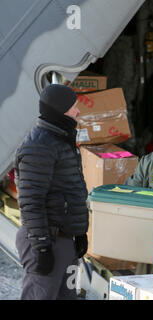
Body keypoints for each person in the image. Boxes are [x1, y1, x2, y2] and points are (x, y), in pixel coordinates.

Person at [14, 84, 89, 300]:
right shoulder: (39, 146)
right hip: (47, 241)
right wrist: (42, 247)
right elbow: (31, 201)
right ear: (59, 110)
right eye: (73, 107)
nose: (78, 111)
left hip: (65, 241)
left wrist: (78, 232)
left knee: (67, 297)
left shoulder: (62, 140)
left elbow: (70, 191)